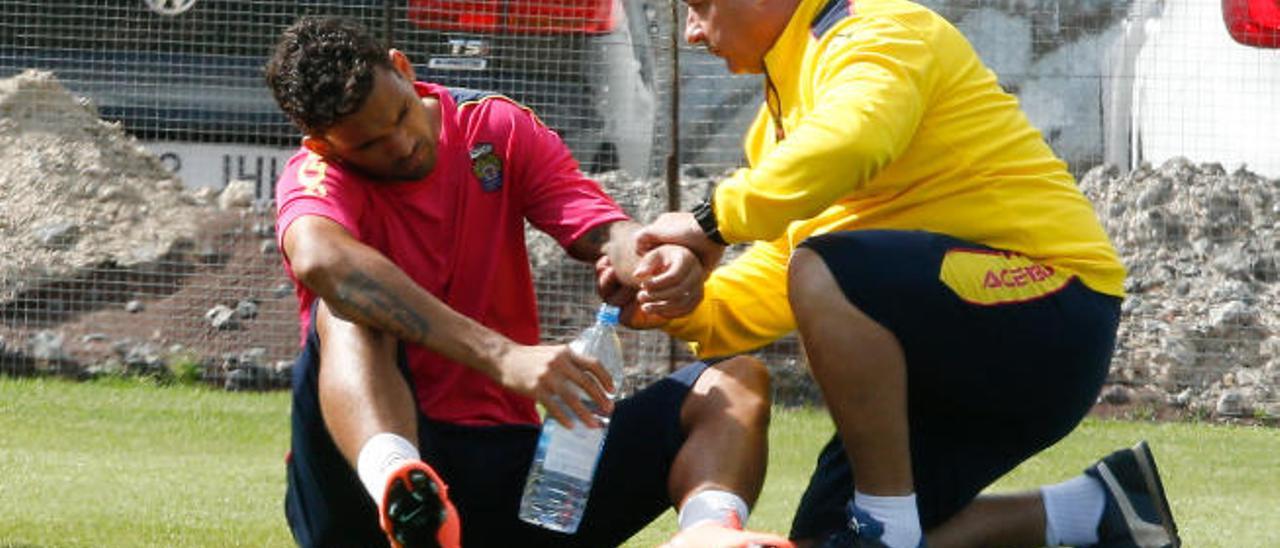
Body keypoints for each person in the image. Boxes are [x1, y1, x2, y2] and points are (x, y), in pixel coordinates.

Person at [620, 0, 1182, 546]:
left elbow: (854, 139)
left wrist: (711, 221)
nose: (692, 31)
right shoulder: (779, 121)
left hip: (1055, 305)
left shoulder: (876, 27)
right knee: (824, 538)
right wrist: (680, 302)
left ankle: (886, 531)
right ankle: (1096, 508)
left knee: (825, 272)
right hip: (954, 348)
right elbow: (783, 270)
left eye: (699, 4)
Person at [264, 16, 788, 548]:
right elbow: (319, 260)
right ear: (325, 147)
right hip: (357, 498)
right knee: (348, 302)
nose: (400, 145)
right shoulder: (316, 177)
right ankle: (405, 492)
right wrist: (505, 358)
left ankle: (709, 533)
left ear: (402, 68)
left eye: (400, 115)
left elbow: (604, 229)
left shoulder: (493, 127)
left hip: (508, 469)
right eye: (371, 144)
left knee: (734, 380)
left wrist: (654, 260)